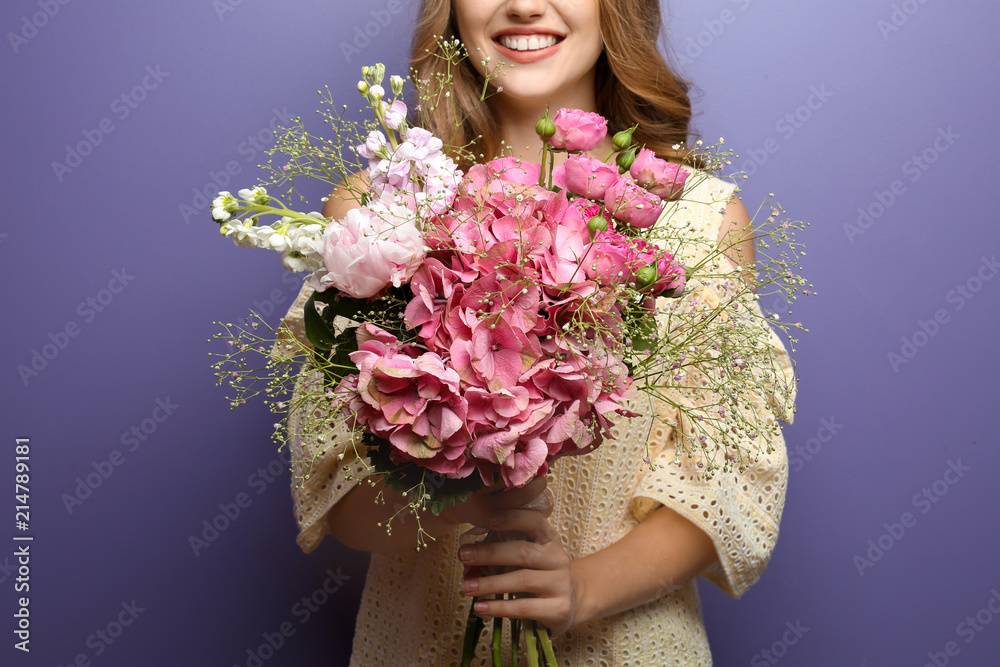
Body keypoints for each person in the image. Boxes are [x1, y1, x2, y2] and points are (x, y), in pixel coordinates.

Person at [280, 0, 796, 664]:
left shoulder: (697, 222)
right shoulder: (381, 209)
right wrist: (465, 497)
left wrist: (581, 588)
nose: (524, 3)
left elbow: (725, 485)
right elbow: (340, 497)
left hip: (628, 644)